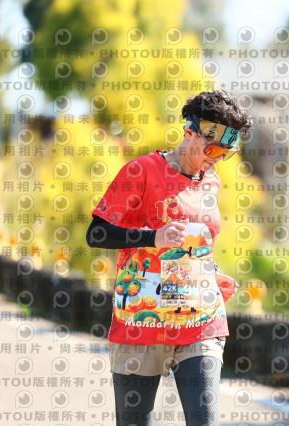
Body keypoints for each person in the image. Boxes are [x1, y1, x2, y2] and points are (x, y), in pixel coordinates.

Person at [86, 89, 253, 426]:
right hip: (141, 322)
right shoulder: (141, 171)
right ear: (189, 132)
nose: (218, 159)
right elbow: (97, 233)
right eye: (213, 149)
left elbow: (196, 244)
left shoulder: (211, 182)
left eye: (226, 153)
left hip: (200, 320)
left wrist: (212, 271)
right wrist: (153, 237)